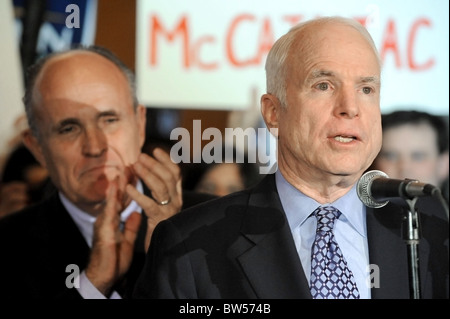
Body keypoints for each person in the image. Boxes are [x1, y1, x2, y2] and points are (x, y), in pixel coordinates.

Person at [133, 16, 449, 299]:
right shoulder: (190, 244)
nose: (350, 107)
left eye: (366, 89)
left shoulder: (432, 226)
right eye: (324, 85)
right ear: (273, 112)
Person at [0, 45, 212, 299]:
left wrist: (172, 262)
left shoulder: (220, 224)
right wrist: (93, 285)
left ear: (140, 123)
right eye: (69, 128)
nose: (95, 147)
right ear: (37, 148)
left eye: (109, 120)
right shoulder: (7, 249)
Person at [371, 110, 449, 202]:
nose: (404, 168)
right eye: (391, 156)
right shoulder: (358, 215)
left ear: (443, 164)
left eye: (418, 157)